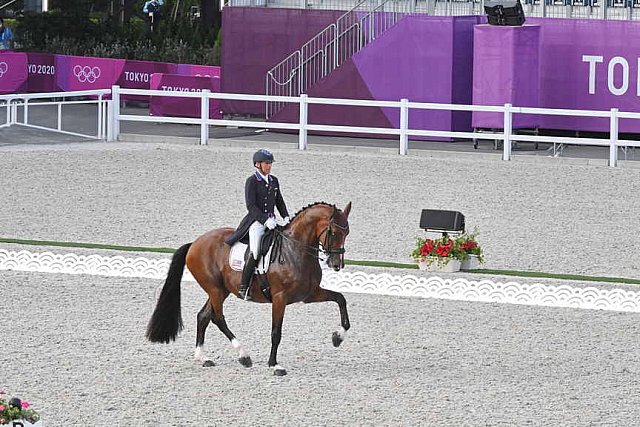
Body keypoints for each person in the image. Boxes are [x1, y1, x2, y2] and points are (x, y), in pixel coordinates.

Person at [225, 149, 290, 301]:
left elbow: (279, 200)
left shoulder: (274, 180)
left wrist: (286, 216)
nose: (269, 166)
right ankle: (244, 287)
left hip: (273, 222)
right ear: (257, 164)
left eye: (270, 164)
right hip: (256, 223)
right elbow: (251, 206)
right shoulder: (252, 181)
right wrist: (265, 220)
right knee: (255, 250)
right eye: (266, 164)